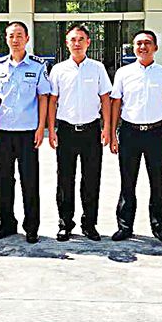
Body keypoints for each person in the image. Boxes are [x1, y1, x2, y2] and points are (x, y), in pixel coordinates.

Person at [109, 30, 162, 243]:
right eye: (138, 43)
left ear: (155, 47)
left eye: (147, 43)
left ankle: (158, 226)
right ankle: (124, 226)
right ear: (133, 48)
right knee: (127, 182)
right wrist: (112, 133)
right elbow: (116, 104)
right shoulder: (123, 73)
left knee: (157, 182)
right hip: (129, 133)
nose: (143, 47)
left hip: (155, 134)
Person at [47, 24, 111, 242]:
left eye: (81, 39)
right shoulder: (58, 70)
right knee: (65, 179)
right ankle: (65, 224)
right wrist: (51, 129)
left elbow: (105, 99)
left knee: (91, 179)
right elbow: (52, 101)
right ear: (67, 43)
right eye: (73, 40)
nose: (77, 43)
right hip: (66, 130)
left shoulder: (97, 68)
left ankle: (89, 224)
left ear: (88, 42)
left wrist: (107, 128)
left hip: (91, 130)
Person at [0, 21, 51, 244]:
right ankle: (6, 223)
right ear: (6, 39)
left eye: (19, 35)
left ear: (27, 38)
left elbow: (43, 98)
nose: (15, 40)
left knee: (29, 180)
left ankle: (31, 227)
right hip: (4, 132)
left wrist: (41, 128)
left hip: (28, 133)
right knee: (3, 180)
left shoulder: (38, 66)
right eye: (11, 36)